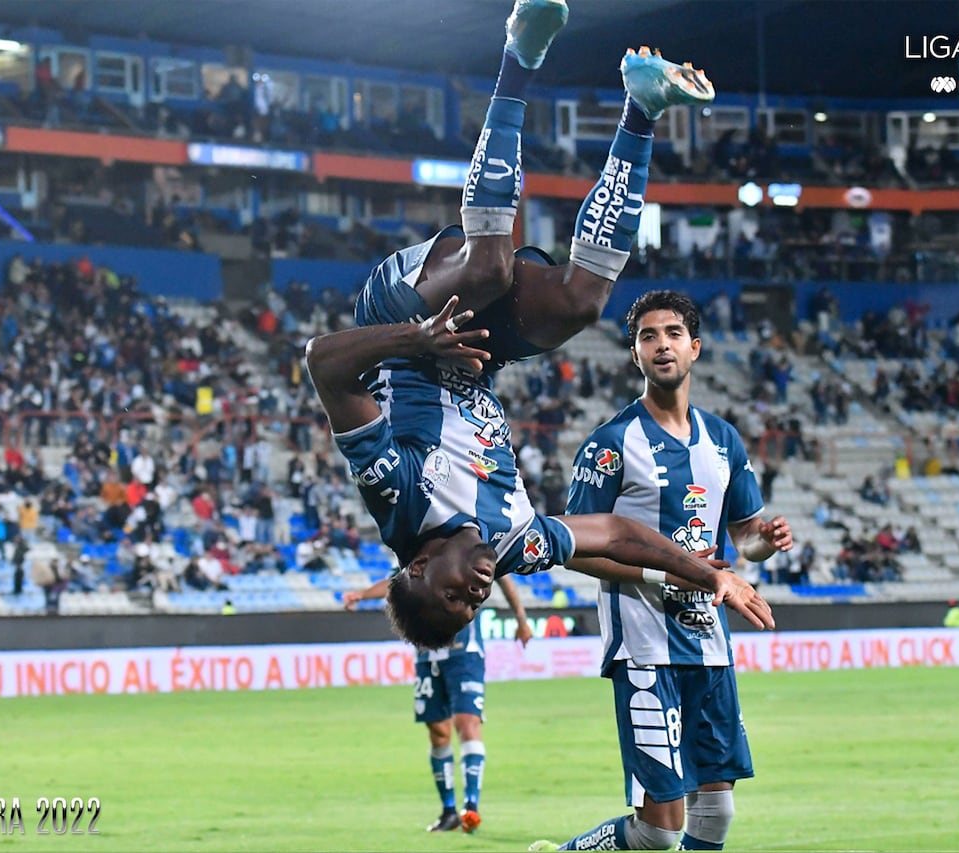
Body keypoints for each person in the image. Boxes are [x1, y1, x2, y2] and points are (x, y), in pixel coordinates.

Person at [305, 1, 761, 651]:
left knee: (488, 266)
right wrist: (706, 572)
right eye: (474, 607)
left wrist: (418, 337)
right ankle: (642, 108)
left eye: (454, 595)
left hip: (399, 319)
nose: (476, 593)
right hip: (477, 352)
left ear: (417, 567)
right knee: (581, 303)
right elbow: (614, 535)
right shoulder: (516, 542)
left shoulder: (398, 498)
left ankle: (518, 56)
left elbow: (323, 362)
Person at [531, 291, 793, 853]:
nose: (662, 345)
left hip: (709, 645)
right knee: (659, 831)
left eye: (673, 333)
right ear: (635, 354)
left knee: (716, 814)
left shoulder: (723, 440)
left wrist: (765, 542)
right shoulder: (610, 445)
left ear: (695, 347)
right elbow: (569, 546)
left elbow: (745, 538)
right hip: (645, 647)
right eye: (647, 336)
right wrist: (663, 575)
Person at [343, 575, 532, 834]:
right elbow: (395, 583)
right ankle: (449, 812)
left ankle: (471, 807)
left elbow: (503, 577)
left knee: (467, 723)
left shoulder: (471, 551)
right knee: (438, 732)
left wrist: (521, 619)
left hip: (463, 652)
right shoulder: (414, 555)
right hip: (427, 653)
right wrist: (362, 595)